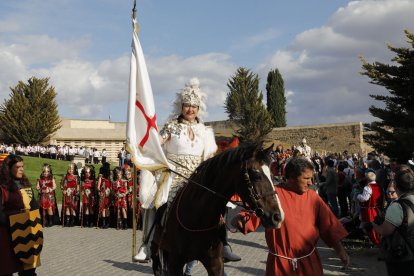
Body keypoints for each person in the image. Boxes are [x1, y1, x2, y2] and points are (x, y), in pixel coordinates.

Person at [134, 78, 240, 269]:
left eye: (194, 106)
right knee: (161, 205)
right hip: (174, 174)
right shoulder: (172, 126)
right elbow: (156, 143)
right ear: (181, 106)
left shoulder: (205, 131)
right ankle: (149, 244)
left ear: (199, 108)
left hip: (199, 177)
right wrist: (142, 136)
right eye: (187, 105)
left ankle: (223, 244)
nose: (190, 109)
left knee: (219, 204)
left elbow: (208, 157)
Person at [231, 157, 349, 275]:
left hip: (309, 263)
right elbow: (254, 214)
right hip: (280, 265)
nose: (310, 182)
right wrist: (241, 219)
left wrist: (341, 252)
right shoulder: (273, 195)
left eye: (311, 178)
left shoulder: (313, 197)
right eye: (306, 178)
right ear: (292, 177)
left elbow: (329, 226)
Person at [0, 155, 42, 275]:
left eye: (23, 166)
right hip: (8, 234)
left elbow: (34, 206)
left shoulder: (25, 184)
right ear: (8, 168)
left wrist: (37, 224)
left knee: (29, 271)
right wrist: (15, 221)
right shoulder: (2, 188)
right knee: (7, 269)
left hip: (29, 233)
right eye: (18, 167)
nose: (21, 169)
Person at [370, 165, 414, 275]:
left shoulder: (397, 206)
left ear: (397, 187)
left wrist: (374, 224)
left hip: (402, 255)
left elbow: (385, 231)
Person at [357, 168, 384, 245]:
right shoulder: (379, 186)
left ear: (367, 179)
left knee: (370, 226)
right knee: (376, 224)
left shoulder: (368, 187)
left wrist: (358, 196)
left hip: (369, 210)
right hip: (378, 209)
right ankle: (376, 240)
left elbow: (364, 198)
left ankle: (375, 241)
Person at [97, 162, 112, 229]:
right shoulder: (109, 178)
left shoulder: (101, 177)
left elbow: (98, 187)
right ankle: (106, 222)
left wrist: (100, 191)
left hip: (104, 194)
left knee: (104, 208)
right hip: (107, 194)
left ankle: (104, 223)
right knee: (106, 208)